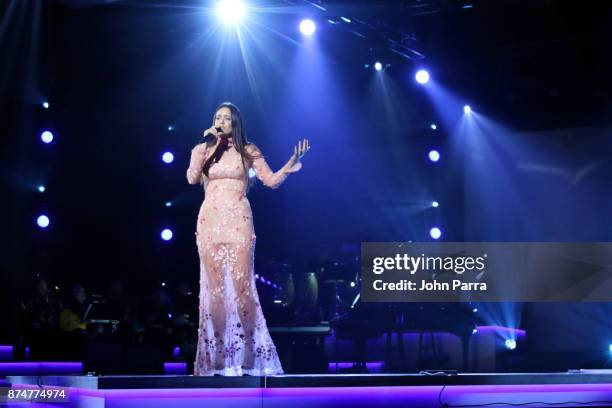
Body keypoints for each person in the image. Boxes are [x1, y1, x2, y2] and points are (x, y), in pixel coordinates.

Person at [187, 102, 310, 376]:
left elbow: (271, 180)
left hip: (239, 224)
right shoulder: (204, 150)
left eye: (226, 118)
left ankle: (247, 358)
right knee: (215, 292)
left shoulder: (248, 150)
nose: (220, 121)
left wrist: (291, 161)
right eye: (217, 117)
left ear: (235, 124)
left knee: (242, 288)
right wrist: (202, 147)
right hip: (209, 224)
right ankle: (217, 361)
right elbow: (192, 178)